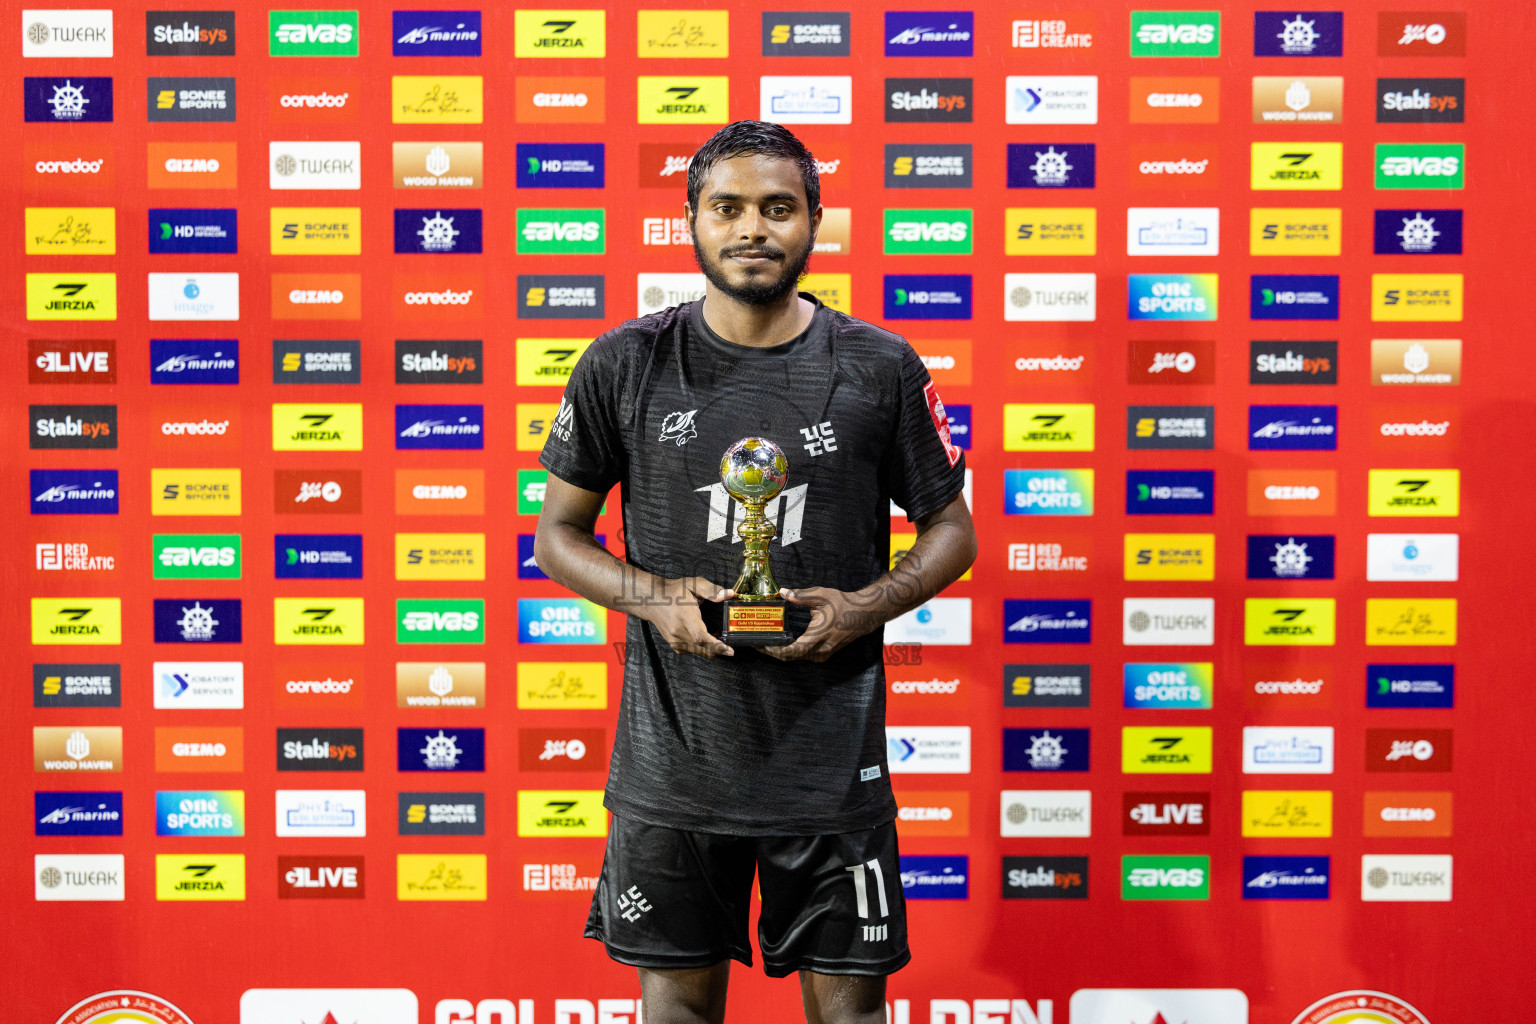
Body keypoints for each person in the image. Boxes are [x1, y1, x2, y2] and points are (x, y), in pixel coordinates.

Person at [534, 120, 977, 1024]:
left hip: (831, 771)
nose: (752, 229)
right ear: (689, 220)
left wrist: (863, 607)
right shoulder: (626, 362)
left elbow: (952, 532)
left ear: (814, 219)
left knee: (850, 1015)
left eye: (778, 208)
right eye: (727, 207)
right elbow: (557, 536)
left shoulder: (880, 366)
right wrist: (656, 600)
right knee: (681, 1012)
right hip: (673, 767)